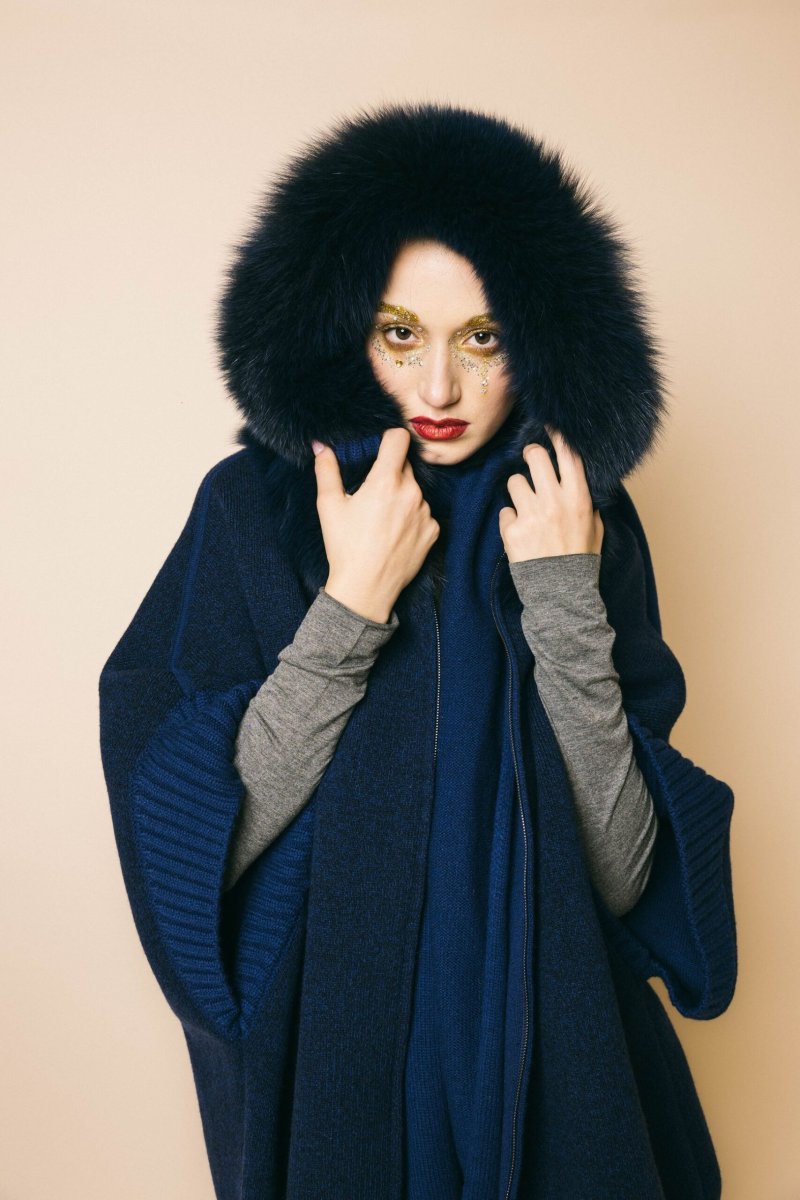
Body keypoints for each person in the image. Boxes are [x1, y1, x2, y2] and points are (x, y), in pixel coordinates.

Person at [98, 101, 737, 1200]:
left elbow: (628, 874)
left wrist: (564, 601)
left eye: (482, 338)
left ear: (539, 337)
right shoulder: (252, 510)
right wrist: (351, 602)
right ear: (342, 326)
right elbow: (201, 839)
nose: (439, 388)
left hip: (561, 1071)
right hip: (338, 1079)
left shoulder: (580, 517)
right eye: (401, 334)